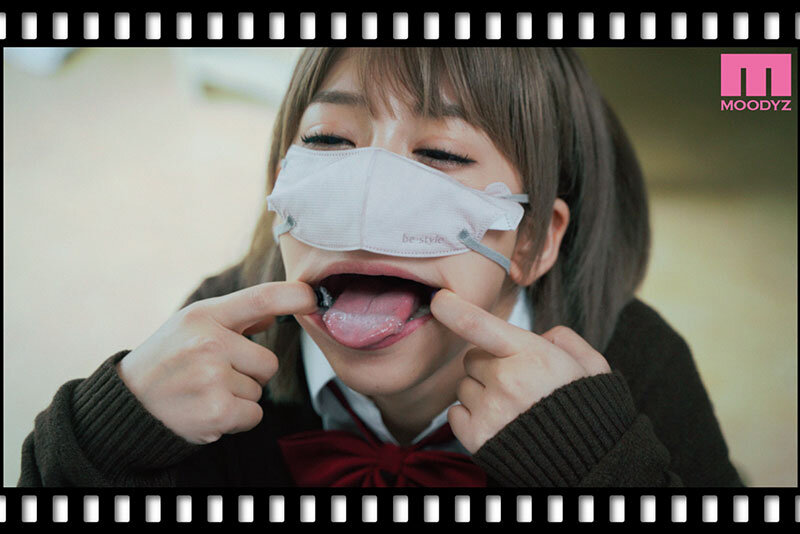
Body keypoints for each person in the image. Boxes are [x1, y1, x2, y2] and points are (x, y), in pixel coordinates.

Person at [19, 48, 743, 487]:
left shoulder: (634, 363)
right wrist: (114, 432)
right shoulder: (223, 338)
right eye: (330, 142)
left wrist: (593, 468)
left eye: (442, 154)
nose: (365, 203)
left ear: (530, 242)